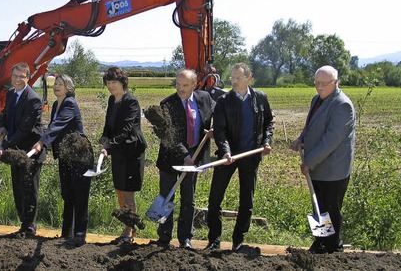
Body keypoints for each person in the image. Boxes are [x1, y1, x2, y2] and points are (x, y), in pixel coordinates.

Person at [204, 63, 274, 252]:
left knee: (246, 201)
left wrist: (267, 141)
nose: (234, 81)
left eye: (238, 78)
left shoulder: (260, 98)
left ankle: (238, 241)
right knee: (215, 199)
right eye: (232, 78)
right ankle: (214, 240)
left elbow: (269, 122)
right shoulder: (224, 101)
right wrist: (225, 150)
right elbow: (219, 130)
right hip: (228, 155)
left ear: (249, 78)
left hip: (251, 156)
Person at [291, 65, 355, 254]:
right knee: (317, 206)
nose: (319, 87)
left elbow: (330, 140)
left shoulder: (342, 105)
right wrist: (300, 139)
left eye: (324, 84)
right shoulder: (316, 100)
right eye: (317, 83)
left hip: (333, 169)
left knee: (330, 209)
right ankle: (320, 242)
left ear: (335, 83)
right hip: (317, 166)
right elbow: (310, 126)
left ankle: (333, 247)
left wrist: (309, 161)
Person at [154, 69, 214, 249]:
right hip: (170, 158)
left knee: (188, 199)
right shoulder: (167, 104)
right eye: (178, 84)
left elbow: (215, 114)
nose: (181, 88)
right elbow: (170, 136)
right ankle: (164, 238)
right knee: (167, 197)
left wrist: (215, 128)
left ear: (194, 85)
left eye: (185, 85)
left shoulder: (204, 98)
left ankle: (185, 238)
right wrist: (185, 155)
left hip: (194, 158)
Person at [31, 74, 90, 245]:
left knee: (79, 196)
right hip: (66, 154)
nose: (56, 86)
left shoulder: (69, 104)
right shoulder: (56, 104)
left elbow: (58, 126)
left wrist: (42, 142)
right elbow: (52, 128)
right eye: (55, 83)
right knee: (68, 194)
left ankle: (79, 234)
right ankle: (66, 232)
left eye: (61, 84)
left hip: (79, 155)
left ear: (69, 88)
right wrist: (45, 144)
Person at [0, 62, 46, 238]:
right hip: (15, 149)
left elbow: (25, 128)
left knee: (29, 188)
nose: (18, 80)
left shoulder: (33, 99)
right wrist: (2, 126)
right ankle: (22, 223)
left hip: (30, 151)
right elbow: (5, 114)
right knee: (17, 187)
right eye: (15, 76)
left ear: (28, 77)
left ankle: (30, 226)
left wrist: (4, 147)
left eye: (22, 76)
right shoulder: (10, 94)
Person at [99, 66, 147, 244]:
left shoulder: (130, 102)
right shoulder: (113, 100)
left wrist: (108, 148)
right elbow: (109, 123)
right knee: (120, 190)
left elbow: (126, 131)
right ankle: (128, 228)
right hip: (118, 151)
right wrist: (105, 136)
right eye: (108, 83)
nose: (111, 86)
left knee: (127, 193)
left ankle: (129, 231)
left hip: (131, 152)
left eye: (114, 82)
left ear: (122, 82)